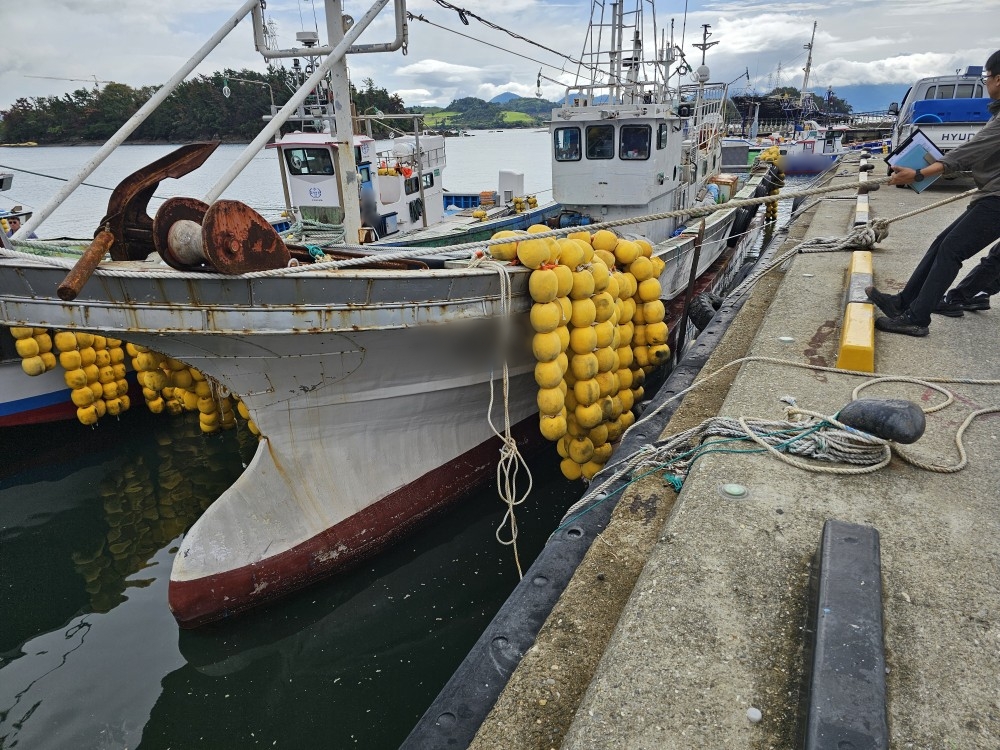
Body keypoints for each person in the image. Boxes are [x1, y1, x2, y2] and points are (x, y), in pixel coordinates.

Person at [865, 50, 1000, 336]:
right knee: (942, 243)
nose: (986, 84)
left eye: (987, 78)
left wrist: (918, 173)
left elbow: (967, 152)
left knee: (951, 250)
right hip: (991, 196)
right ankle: (903, 303)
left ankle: (917, 317)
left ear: (999, 79)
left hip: (996, 201)